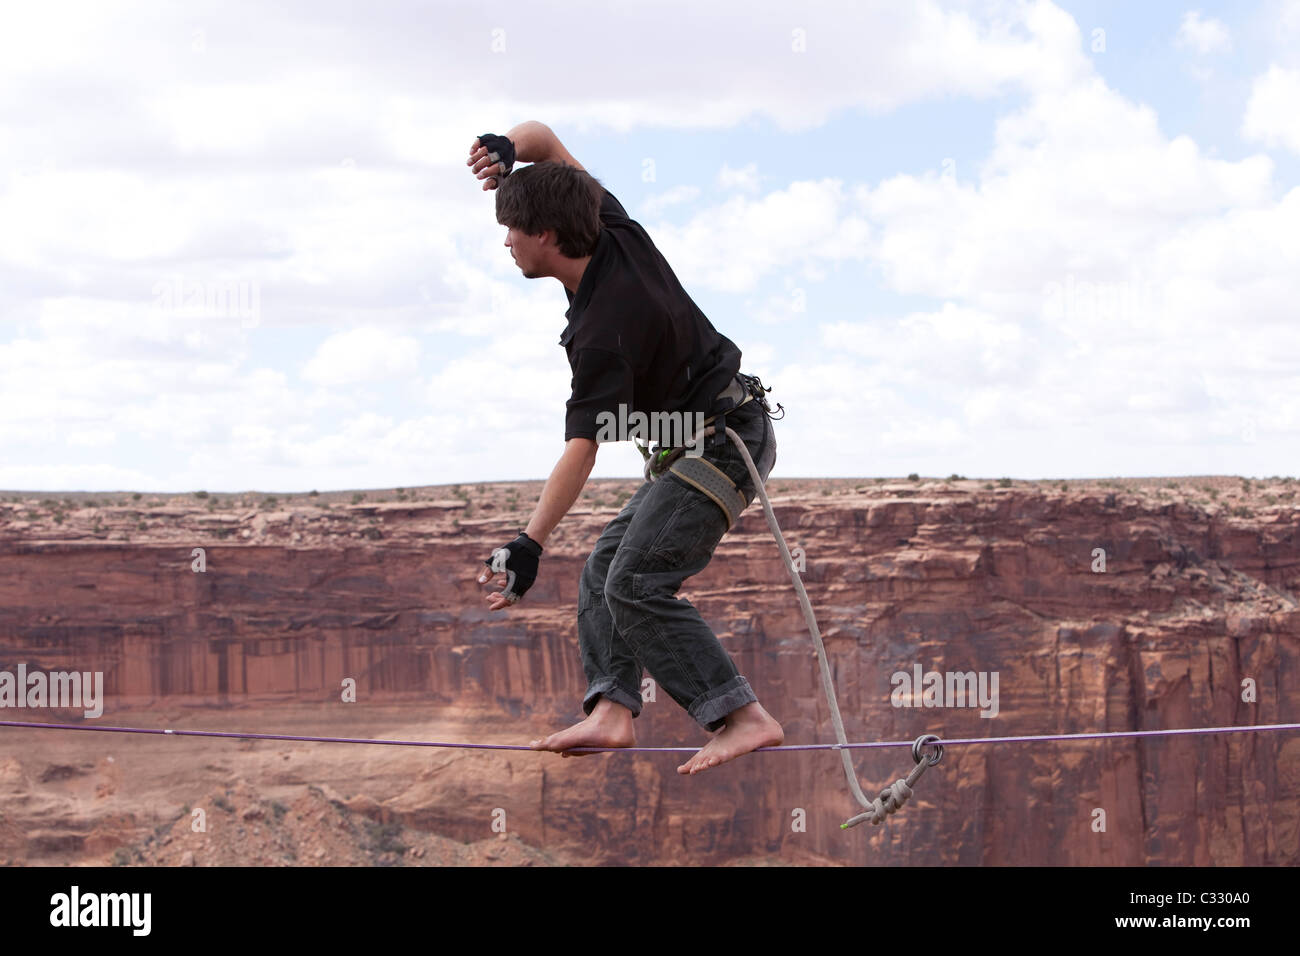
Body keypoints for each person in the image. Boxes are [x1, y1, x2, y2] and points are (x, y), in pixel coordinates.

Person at [467, 121, 783, 775]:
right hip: (693, 442)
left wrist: (529, 544)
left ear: (547, 236)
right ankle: (612, 709)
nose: (505, 241)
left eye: (512, 230)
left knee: (636, 581)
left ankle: (742, 716)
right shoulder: (612, 231)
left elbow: (582, 450)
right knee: (604, 570)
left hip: (723, 444)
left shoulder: (603, 332)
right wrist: (505, 146)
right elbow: (546, 141)